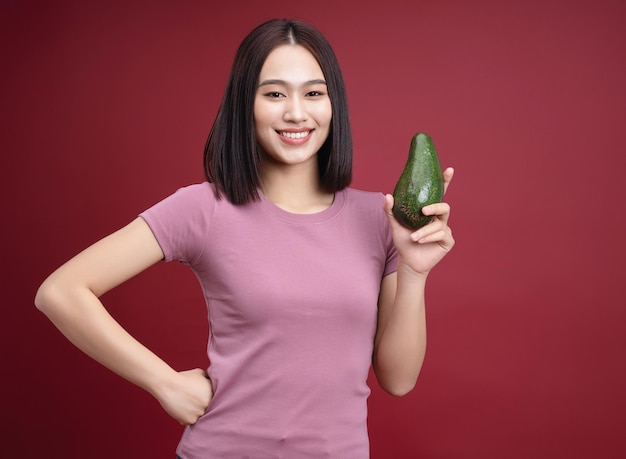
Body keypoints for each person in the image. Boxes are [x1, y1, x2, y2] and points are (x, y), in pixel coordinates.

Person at [35, 18, 455, 458]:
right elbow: (60, 292)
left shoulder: (379, 217)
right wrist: (163, 382)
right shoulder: (203, 208)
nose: (296, 112)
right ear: (245, 104)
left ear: (334, 105)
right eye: (274, 94)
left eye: (313, 93)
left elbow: (399, 380)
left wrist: (413, 269)